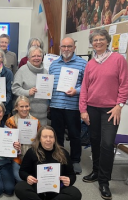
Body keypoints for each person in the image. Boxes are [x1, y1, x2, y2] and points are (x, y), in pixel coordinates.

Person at [80, 29, 128, 200]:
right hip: (92, 109)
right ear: (92, 43)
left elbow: (125, 85)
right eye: (95, 40)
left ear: (107, 42)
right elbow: (84, 89)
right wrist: (83, 110)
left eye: (101, 39)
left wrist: (119, 105)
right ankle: (95, 171)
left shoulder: (118, 59)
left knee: (107, 145)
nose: (98, 42)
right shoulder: (90, 64)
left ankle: (104, 181)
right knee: (94, 141)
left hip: (111, 110)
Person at [49, 37, 87, 175]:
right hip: (56, 105)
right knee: (57, 134)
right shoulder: (53, 65)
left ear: (74, 48)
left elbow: (87, 85)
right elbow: (50, 84)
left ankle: (75, 160)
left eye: (69, 46)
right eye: (63, 46)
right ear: (60, 47)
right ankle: (59, 158)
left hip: (73, 106)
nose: (66, 49)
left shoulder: (83, 64)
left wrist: (76, 90)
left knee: (74, 135)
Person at [14, 126, 82, 200]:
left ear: (54, 139)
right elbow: (22, 171)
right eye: (45, 137)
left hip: (57, 189)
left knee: (75, 193)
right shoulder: (32, 152)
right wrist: (27, 177)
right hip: (37, 188)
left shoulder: (63, 153)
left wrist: (69, 180)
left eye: (51, 137)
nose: (48, 140)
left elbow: (71, 174)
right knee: (19, 187)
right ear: (40, 139)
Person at [5, 96, 41, 182]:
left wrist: (35, 142)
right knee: (20, 180)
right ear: (16, 107)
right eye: (21, 106)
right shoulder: (10, 121)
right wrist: (14, 145)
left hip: (31, 156)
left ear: (29, 107)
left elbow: (40, 142)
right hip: (16, 157)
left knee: (36, 179)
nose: (24, 109)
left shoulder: (35, 121)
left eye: (26, 106)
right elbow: (6, 142)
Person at [12, 46, 49, 125]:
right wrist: (27, 92)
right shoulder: (22, 70)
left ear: (42, 57)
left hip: (43, 115)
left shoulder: (45, 72)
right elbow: (15, 89)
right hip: (26, 115)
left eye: (39, 56)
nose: (36, 58)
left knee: (41, 137)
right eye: (33, 56)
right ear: (28, 58)